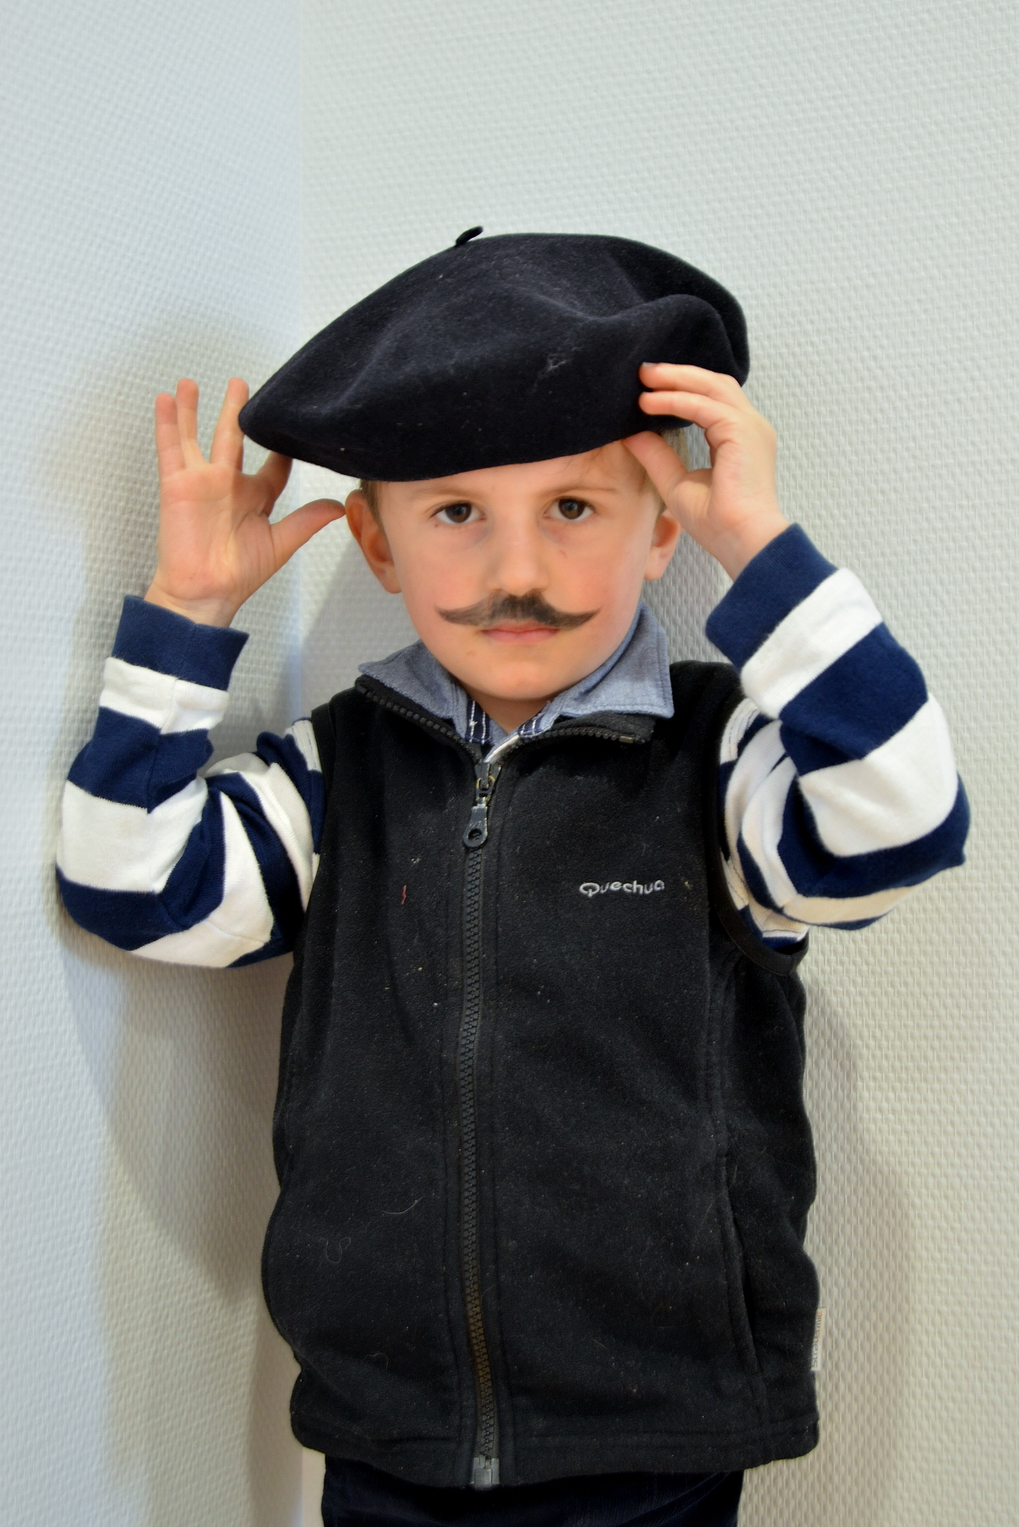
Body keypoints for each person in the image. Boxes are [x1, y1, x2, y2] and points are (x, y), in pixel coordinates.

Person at [57, 232, 969, 1526]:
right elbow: (129, 884)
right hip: (390, 1430)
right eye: (456, 514)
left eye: (575, 509)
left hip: (655, 1436)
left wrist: (764, 550)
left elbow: (901, 825)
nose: (518, 573)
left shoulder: (716, 761)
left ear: (664, 529)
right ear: (379, 544)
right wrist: (189, 610)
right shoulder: (343, 770)